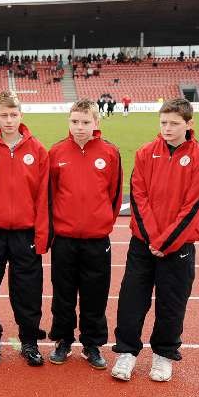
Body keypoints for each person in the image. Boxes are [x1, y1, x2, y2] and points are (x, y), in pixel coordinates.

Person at [111, 98, 199, 382]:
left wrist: (166, 242)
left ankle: (164, 354)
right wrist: (152, 238)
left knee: (171, 303)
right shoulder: (145, 152)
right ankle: (126, 352)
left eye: (174, 123)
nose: (167, 128)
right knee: (131, 299)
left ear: (189, 124)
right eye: (164, 122)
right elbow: (138, 196)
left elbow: (192, 206)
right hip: (143, 243)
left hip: (179, 246)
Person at [0, 91, 50, 366]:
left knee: (28, 291)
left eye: (13, 115)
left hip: (24, 233)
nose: (8, 120)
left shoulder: (38, 150)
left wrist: (41, 235)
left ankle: (29, 341)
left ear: (21, 115)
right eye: (3, 115)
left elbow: (43, 196)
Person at [47, 99, 122, 369]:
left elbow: (114, 195)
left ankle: (92, 344)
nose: (80, 127)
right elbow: (51, 194)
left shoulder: (110, 152)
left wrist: (101, 222)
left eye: (86, 122)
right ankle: (63, 340)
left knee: (95, 294)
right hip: (64, 239)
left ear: (96, 123)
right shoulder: (56, 152)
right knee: (63, 293)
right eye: (75, 121)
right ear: (68, 122)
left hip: (96, 239)